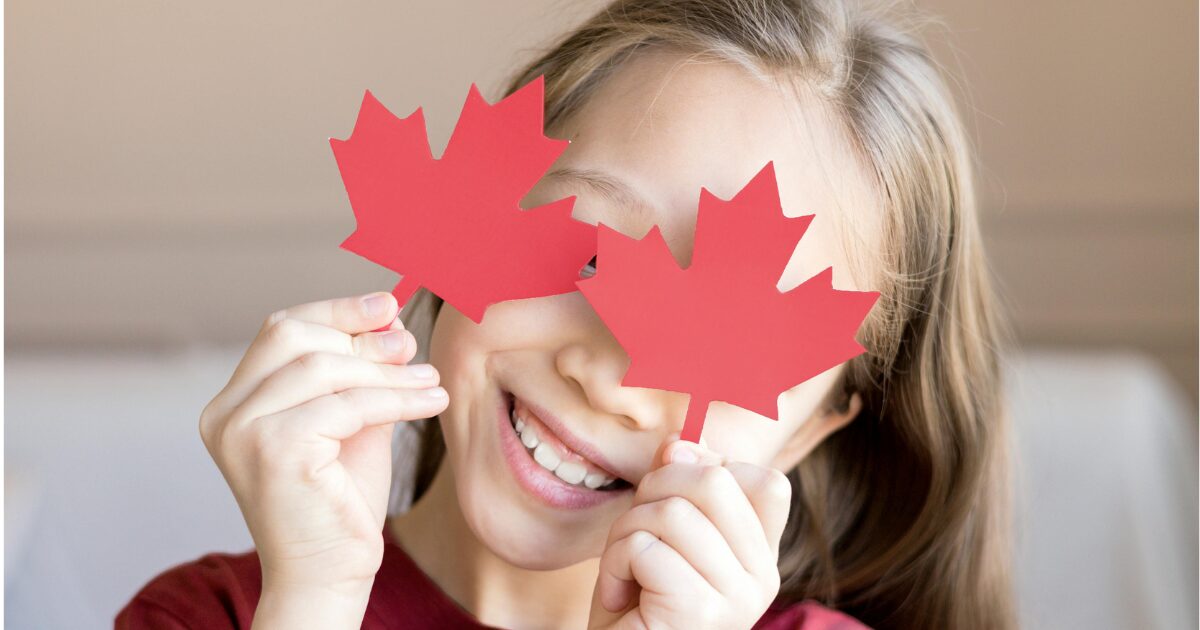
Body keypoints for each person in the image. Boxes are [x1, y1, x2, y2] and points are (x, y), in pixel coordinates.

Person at [117, 0, 1014, 627]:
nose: (608, 372)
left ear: (813, 435)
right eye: (586, 252)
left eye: (728, 343)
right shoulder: (214, 620)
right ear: (479, 199)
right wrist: (312, 602)